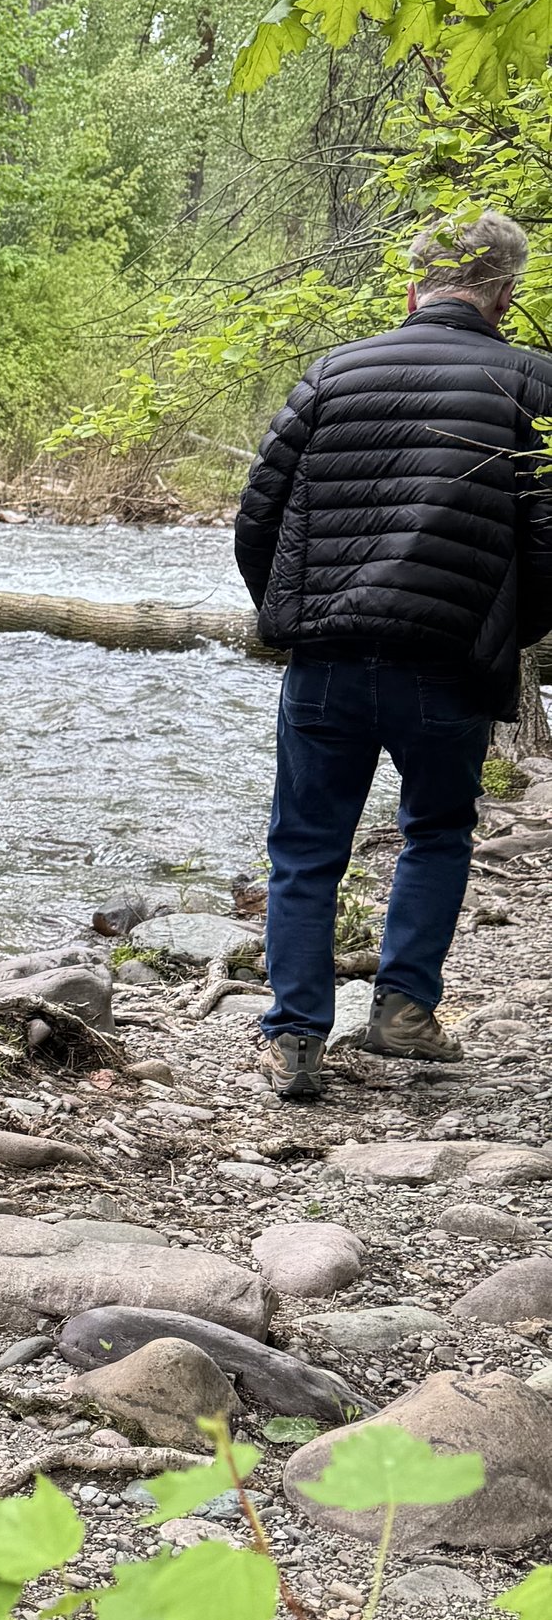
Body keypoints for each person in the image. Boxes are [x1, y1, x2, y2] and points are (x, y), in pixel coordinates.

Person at [235, 208, 552, 1103]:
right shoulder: (534, 385)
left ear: (413, 290)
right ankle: (405, 1011)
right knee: (438, 832)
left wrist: (292, 616)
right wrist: (506, 632)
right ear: (505, 295)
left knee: (305, 847)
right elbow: (547, 542)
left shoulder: (333, 373)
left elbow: (257, 518)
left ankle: (295, 1038)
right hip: (450, 662)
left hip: (328, 656)